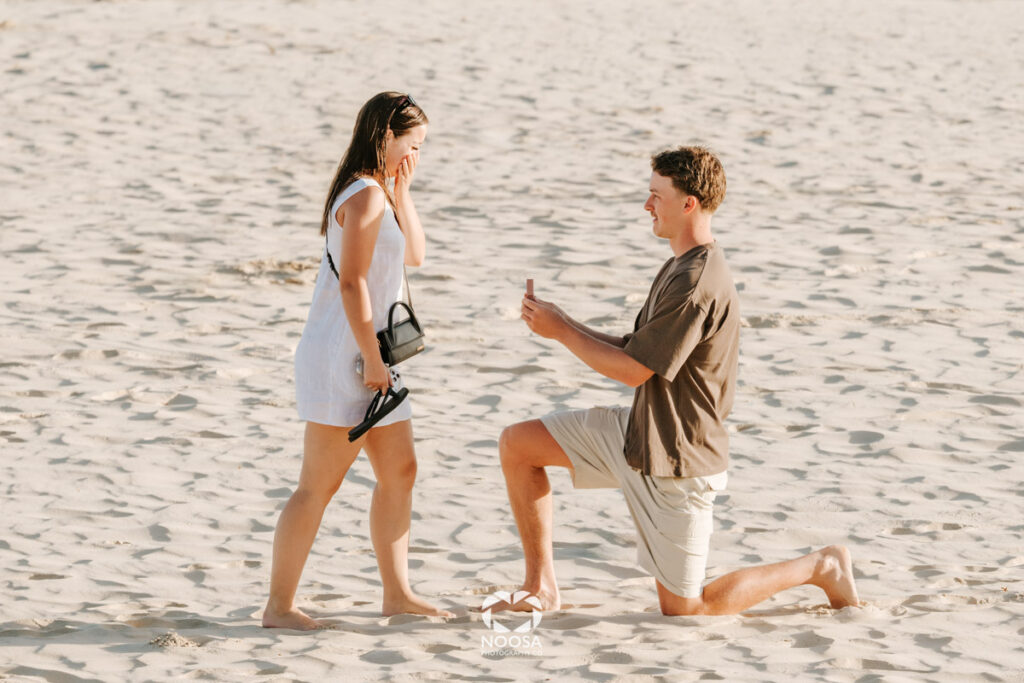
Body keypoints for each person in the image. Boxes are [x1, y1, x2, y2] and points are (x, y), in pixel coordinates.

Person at [500, 146, 860, 616]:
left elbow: (633, 370)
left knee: (689, 610)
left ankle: (821, 566)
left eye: (655, 195)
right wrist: (563, 320)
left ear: (688, 203)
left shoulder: (696, 280)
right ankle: (541, 586)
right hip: (640, 433)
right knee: (519, 446)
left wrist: (562, 333)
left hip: (679, 459)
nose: (646, 205)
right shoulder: (680, 263)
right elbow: (636, 346)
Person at [263, 92, 453, 630]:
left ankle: (397, 593)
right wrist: (372, 359)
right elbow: (351, 284)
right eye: (411, 146)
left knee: (401, 471)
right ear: (386, 135)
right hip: (344, 354)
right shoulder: (363, 197)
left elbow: (415, 254)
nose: (415, 155)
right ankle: (278, 607)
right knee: (317, 485)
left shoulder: (380, 193)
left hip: (368, 355)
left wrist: (404, 190)